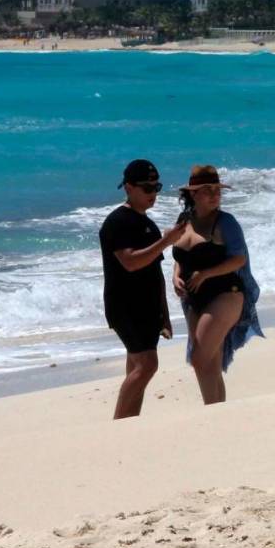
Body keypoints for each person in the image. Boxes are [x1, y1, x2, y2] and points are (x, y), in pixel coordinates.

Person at [100, 160, 186, 418]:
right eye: (147, 188)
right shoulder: (117, 222)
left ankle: (129, 423)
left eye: (156, 187)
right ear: (128, 187)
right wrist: (166, 242)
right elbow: (130, 261)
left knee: (136, 365)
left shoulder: (147, 224)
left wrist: (165, 314)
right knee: (147, 365)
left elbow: (155, 272)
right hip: (124, 306)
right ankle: (117, 423)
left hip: (147, 307)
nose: (153, 194)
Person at [171, 165, 263, 404]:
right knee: (208, 361)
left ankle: (212, 410)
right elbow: (180, 256)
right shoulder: (184, 220)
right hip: (193, 297)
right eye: (207, 190)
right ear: (193, 194)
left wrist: (206, 274)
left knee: (199, 357)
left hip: (226, 293)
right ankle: (216, 411)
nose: (214, 195)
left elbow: (239, 258)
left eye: (217, 190)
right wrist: (175, 275)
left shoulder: (226, 222)